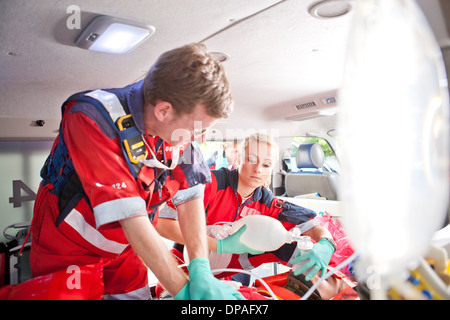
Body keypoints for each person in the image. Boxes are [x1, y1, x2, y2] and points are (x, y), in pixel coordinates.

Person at [29, 43, 244, 300]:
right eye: (197, 129)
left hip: (127, 249)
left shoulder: (179, 129)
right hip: (68, 251)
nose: (202, 137)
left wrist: (201, 268)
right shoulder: (90, 118)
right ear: (164, 110)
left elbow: (190, 196)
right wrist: (187, 294)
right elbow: (130, 217)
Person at [156, 133, 337, 292]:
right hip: (183, 266)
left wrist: (326, 244)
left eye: (266, 164)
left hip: (229, 275)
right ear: (238, 159)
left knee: (292, 246)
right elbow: (162, 224)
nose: (258, 169)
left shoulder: (268, 204)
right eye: (251, 159)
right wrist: (218, 245)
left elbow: (312, 224)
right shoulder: (211, 184)